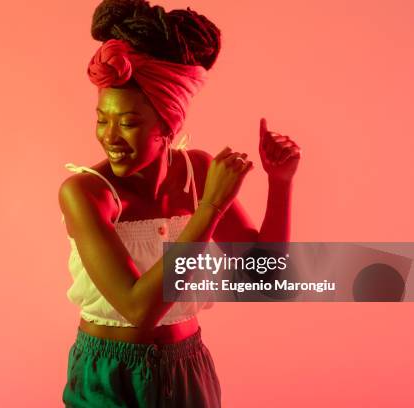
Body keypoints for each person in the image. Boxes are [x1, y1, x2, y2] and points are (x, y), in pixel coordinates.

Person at [58, 1, 301, 406]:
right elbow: (139, 308)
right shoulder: (85, 193)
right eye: (103, 119)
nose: (111, 136)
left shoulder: (198, 171)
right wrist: (209, 209)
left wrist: (281, 181)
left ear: (169, 124)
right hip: (109, 374)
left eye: (130, 123)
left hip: (188, 367)